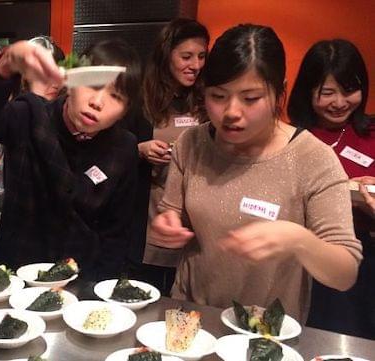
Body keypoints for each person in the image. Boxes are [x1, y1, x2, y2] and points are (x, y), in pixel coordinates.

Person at [149, 24, 362, 322]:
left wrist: (299, 240)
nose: (231, 111)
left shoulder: (313, 158)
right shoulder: (192, 143)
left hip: (265, 330)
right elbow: (173, 209)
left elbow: (345, 272)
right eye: (218, 96)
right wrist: (168, 223)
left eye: (250, 98)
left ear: (279, 92)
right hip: (192, 316)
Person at [0, 39, 141, 280]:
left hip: (80, 282)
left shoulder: (124, 147)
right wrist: (4, 64)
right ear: (71, 81)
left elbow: (116, 233)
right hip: (15, 277)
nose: (97, 102)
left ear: (126, 110)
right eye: (91, 85)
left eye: (116, 96)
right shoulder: (30, 114)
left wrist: (96, 290)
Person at [288, 39, 374, 337]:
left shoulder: (372, 133)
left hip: (364, 261)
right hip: (303, 258)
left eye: (349, 91)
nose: (340, 102)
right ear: (308, 91)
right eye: (327, 93)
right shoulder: (292, 138)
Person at [126, 18, 209, 295]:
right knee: (145, 294)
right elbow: (112, 150)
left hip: (194, 214)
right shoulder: (141, 99)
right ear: (166, 56)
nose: (195, 65)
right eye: (186, 56)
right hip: (148, 213)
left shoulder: (205, 99)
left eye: (201, 56)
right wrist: (139, 149)